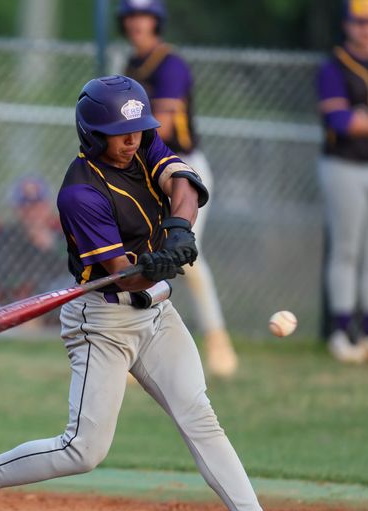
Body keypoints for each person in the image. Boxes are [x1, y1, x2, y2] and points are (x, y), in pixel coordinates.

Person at [0, 76, 277, 511]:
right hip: (103, 322)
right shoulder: (79, 194)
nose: (132, 141)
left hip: (159, 316)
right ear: (93, 135)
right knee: (83, 450)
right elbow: (125, 277)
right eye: (118, 134)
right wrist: (160, 262)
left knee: (200, 418)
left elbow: (183, 185)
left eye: (137, 131)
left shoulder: (143, 143)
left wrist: (180, 230)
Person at [117, 0, 238, 378]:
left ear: (157, 22)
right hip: (148, 173)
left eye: (146, 17)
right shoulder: (131, 66)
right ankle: (137, 352)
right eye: (133, 17)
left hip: (183, 170)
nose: (139, 24)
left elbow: (164, 128)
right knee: (141, 258)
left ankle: (217, 338)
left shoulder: (170, 64)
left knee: (186, 255)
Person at [316, 0, 368, 364]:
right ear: (348, 25)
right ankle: (341, 329)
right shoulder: (333, 67)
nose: (366, 30)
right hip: (344, 166)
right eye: (360, 22)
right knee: (347, 248)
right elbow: (342, 123)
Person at [0, 176, 68, 309]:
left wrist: (52, 246)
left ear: (48, 205)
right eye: (26, 206)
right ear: (17, 209)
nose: (33, 211)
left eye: (38, 204)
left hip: (57, 294)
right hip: (17, 300)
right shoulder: (5, 237)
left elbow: (76, 266)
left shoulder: (64, 233)